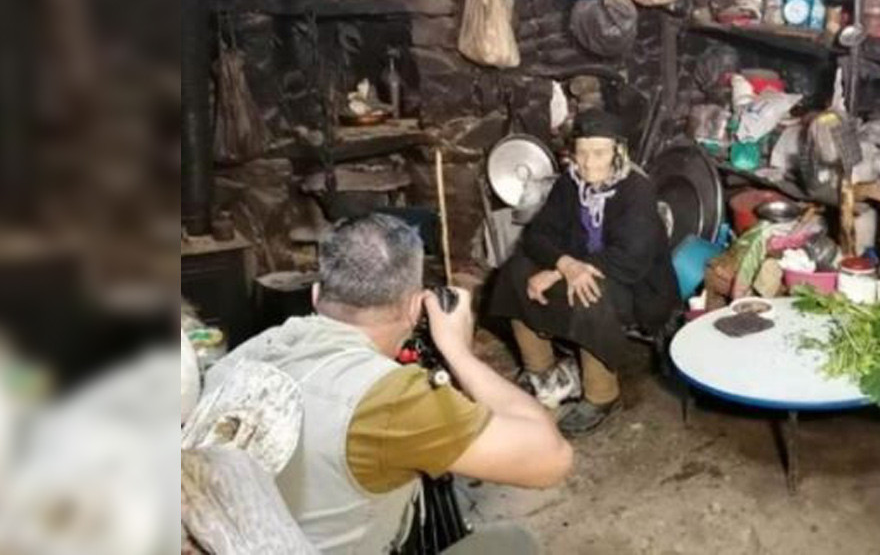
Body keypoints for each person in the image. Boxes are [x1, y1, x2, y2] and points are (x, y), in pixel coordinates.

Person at [205, 213, 573, 555]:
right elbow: (552, 459)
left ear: (315, 294)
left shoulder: (239, 359)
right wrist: (459, 352)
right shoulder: (387, 402)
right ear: (415, 308)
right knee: (511, 543)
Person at [490, 109, 680, 436]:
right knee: (515, 271)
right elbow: (538, 235)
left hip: (637, 284)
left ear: (618, 153)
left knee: (588, 291)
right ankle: (542, 372)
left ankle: (602, 394)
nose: (589, 163)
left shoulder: (637, 190)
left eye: (599, 153)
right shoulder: (570, 184)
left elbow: (630, 259)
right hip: (581, 266)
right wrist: (565, 264)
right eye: (581, 152)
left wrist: (561, 273)